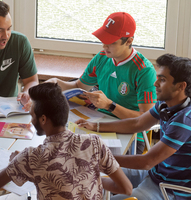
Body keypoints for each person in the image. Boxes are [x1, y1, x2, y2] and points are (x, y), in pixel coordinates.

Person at [76, 54, 191, 200]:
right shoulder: (166, 104)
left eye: (162, 80)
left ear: (181, 86)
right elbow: (137, 123)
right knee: (89, 176)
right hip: (156, 173)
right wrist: (96, 126)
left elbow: (147, 161)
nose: (155, 84)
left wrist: (100, 157)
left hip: (169, 188)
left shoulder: (184, 120)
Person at [0, 82, 132, 199]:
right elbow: (126, 188)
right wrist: (86, 178)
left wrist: (15, 161)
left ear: (43, 119)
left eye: (32, 115)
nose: (32, 120)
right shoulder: (94, 143)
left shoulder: (30, 157)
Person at [47, 12, 157, 154]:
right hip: (97, 123)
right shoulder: (101, 58)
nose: (104, 46)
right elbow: (79, 87)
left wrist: (110, 106)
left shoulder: (144, 70)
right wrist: (56, 83)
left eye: (111, 42)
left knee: (92, 163)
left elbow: (145, 120)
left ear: (129, 41)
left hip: (130, 134)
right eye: (103, 39)